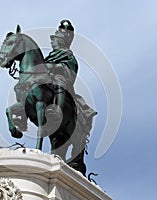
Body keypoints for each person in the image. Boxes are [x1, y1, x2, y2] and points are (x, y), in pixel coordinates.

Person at [45, 20, 97, 176]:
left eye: (55, 40)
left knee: (60, 84)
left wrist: (56, 68)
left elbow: (71, 73)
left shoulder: (68, 55)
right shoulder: (49, 57)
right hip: (48, 83)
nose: (53, 43)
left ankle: (58, 112)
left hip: (63, 83)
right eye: (52, 41)